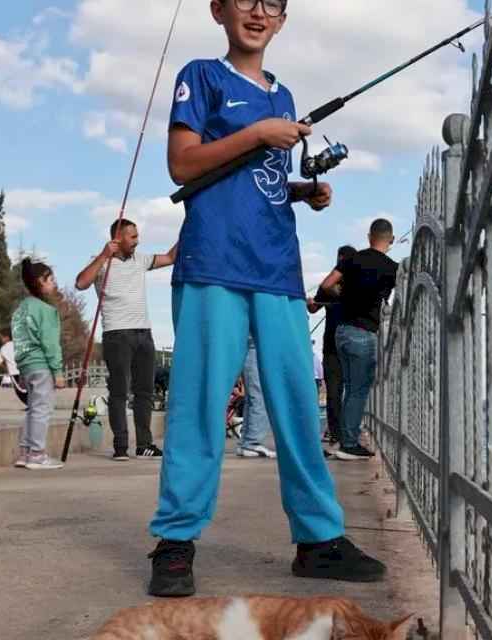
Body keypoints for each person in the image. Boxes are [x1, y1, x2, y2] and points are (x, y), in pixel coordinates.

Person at [148, 0, 386, 598]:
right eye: (246, 0)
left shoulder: (284, 97)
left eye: (272, 4)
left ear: (282, 19)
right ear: (218, 10)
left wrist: (304, 190)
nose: (258, 12)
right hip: (212, 264)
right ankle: (175, 542)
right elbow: (182, 164)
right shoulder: (200, 75)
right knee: (199, 405)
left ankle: (318, 541)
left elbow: (261, 178)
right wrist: (257, 134)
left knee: (299, 408)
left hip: (278, 269)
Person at [74, 219, 177, 461]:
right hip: (117, 335)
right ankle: (121, 446)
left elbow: (170, 257)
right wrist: (102, 255)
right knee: (119, 391)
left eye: (137, 235)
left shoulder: (140, 259)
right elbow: (80, 283)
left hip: (144, 333)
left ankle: (144, 444)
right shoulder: (101, 262)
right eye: (132, 237)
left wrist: (191, 221)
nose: (137, 240)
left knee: (145, 391)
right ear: (118, 238)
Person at [320, 219, 399, 461]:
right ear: (392, 240)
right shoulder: (392, 268)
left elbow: (326, 285)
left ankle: (343, 438)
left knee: (348, 389)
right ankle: (349, 444)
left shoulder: (351, 259)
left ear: (369, 236)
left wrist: (342, 296)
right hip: (363, 333)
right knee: (357, 390)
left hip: (340, 332)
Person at [11, 258, 66, 471]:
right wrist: (58, 371)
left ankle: (25, 453)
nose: (54, 284)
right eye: (51, 279)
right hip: (42, 365)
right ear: (40, 281)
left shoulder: (20, 310)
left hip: (25, 365)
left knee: (32, 409)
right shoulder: (46, 311)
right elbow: (50, 344)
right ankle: (37, 454)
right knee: (42, 409)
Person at [307, 245, 355, 445]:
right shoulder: (359, 283)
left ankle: (336, 432)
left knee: (335, 390)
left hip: (333, 342)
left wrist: (310, 303)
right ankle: (348, 431)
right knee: (352, 389)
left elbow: (313, 308)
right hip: (352, 341)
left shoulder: (329, 282)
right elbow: (315, 307)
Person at [235, 337, 277, 458]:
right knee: (259, 395)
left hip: (249, 344)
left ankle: (246, 442)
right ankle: (252, 442)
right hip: (255, 344)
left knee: (253, 396)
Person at [0, 327, 29, 405]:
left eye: (2, 338)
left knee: (19, 391)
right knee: (27, 388)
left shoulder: (3, 348)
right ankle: (34, 404)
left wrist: (6, 369)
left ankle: (31, 404)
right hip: (24, 370)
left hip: (13, 372)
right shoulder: (18, 344)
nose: (1, 340)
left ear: (7, 337)